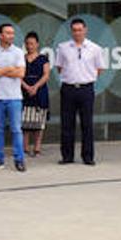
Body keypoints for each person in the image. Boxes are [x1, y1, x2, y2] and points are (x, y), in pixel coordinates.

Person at [53, 18, 106, 166]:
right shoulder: (63, 47)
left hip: (86, 89)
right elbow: (59, 67)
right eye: (74, 30)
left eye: (80, 30)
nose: (77, 33)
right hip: (68, 88)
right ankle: (67, 156)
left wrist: (87, 77)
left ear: (85, 30)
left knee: (87, 124)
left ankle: (88, 156)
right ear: (71, 31)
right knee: (67, 124)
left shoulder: (95, 48)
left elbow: (100, 68)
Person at [0, 23, 27, 172]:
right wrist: (9, 68)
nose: (11, 36)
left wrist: (0, 71)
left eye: (12, 33)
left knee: (16, 129)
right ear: (0, 35)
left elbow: (21, 73)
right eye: (7, 33)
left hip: (14, 97)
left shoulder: (18, 52)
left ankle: (19, 160)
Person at [20, 32, 50, 158]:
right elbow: (18, 75)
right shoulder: (21, 58)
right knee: (25, 122)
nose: (29, 46)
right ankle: (25, 147)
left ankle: (37, 148)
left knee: (39, 123)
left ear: (37, 44)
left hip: (40, 91)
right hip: (24, 91)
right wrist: (26, 87)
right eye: (27, 44)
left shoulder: (43, 59)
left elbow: (46, 75)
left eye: (32, 44)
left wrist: (36, 87)